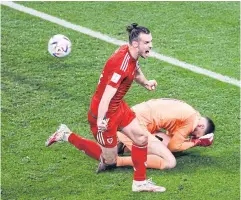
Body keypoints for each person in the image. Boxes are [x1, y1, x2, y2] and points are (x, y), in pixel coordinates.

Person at [46, 23, 166, 192]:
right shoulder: (120, 67)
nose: (150, 45)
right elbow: (105, 98)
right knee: (110, 160)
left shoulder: (128, 52)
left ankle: (139, 182)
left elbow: (135, 68)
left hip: (118, 107)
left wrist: (145, 82)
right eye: (146, 42)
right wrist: (102, 120)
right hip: (104, 113)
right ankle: (66, 134)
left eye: (150, 41)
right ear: (135, 44)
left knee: (141, 138)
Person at [46, 98, 215, 171]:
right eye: (198, 134)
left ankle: (66, 135)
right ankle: (116, 162)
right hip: (136, 123)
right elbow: (174, 145)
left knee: (115, 148)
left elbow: (172, 137)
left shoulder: (191, 113)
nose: (195, 136)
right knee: (169, 161)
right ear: (200, 125)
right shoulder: (191, 121)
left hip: (136, 116)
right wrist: (196, 143)